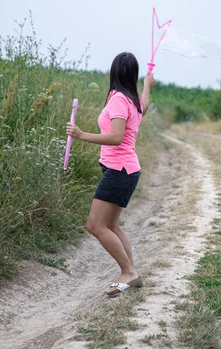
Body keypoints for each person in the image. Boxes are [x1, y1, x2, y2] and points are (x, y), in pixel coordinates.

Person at [66, 52, 155, 297]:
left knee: (95, 225)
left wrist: (81, 135)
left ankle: (128, 272)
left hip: (120, 170)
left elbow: (116, 137)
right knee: (112, 225)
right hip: (125, 170)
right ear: (133, 75)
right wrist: (147, 86)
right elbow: (144, 108)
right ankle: (132, 273)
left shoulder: (118, 99)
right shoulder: (133, 98)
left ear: (114, 72)